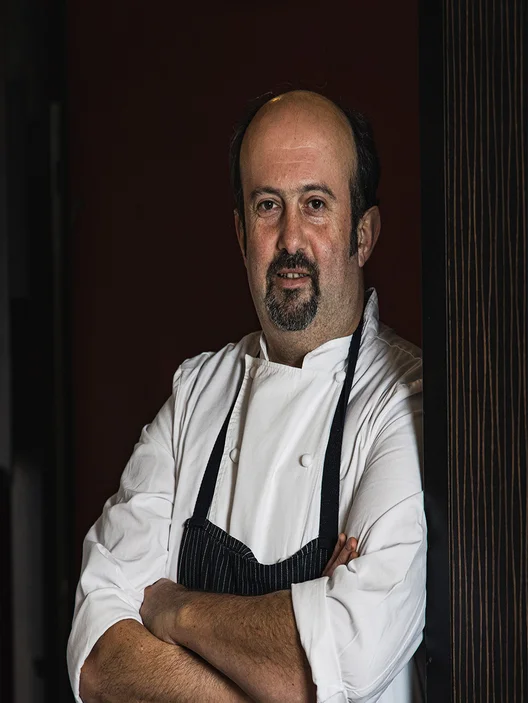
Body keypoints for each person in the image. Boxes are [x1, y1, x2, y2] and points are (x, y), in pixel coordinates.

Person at [68, 89, 426, 703]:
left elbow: (347, 656)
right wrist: (288, 647)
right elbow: (98, 656)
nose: (290, 239)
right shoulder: (194, 395)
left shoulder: (405, 401)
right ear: (240, 232)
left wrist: (174, 608)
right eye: (267, 206)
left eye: (316, 204)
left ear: (363, 234)